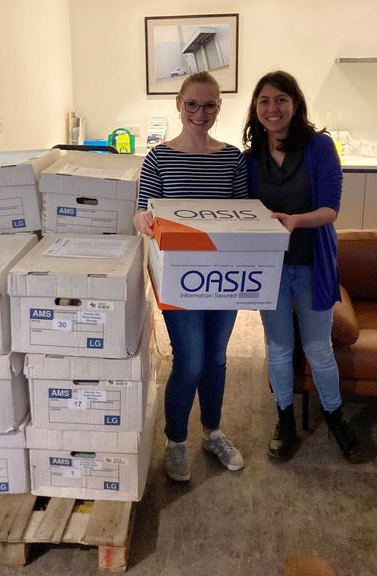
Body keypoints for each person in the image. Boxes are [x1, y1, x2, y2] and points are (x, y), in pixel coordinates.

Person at [242, 70, 364, 462]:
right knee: (278, 347)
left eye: (281, 99)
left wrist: (294, 221)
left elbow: (331, 210)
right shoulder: (250, 159)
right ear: (255, 108)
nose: (272, 108)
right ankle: (285, 421)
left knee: (318, 348)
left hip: (311, 262)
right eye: (264, 101)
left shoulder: (319, 147)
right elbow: (243, 214)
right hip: (269, 269)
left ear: (295, 104)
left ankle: (333, 415)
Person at [134, 71, 248, 481]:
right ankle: (176, 441)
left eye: (210, 105)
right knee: (191, 360)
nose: (201, 113)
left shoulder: (232, 158)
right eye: (193, 104)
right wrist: (143, 219)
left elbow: (243, 217)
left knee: (216, 359)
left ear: (219, 107)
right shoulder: (159, 157)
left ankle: (213, 432)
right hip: (179, 277)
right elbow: (142, 209)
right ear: (179, 106)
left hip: (223, 278)